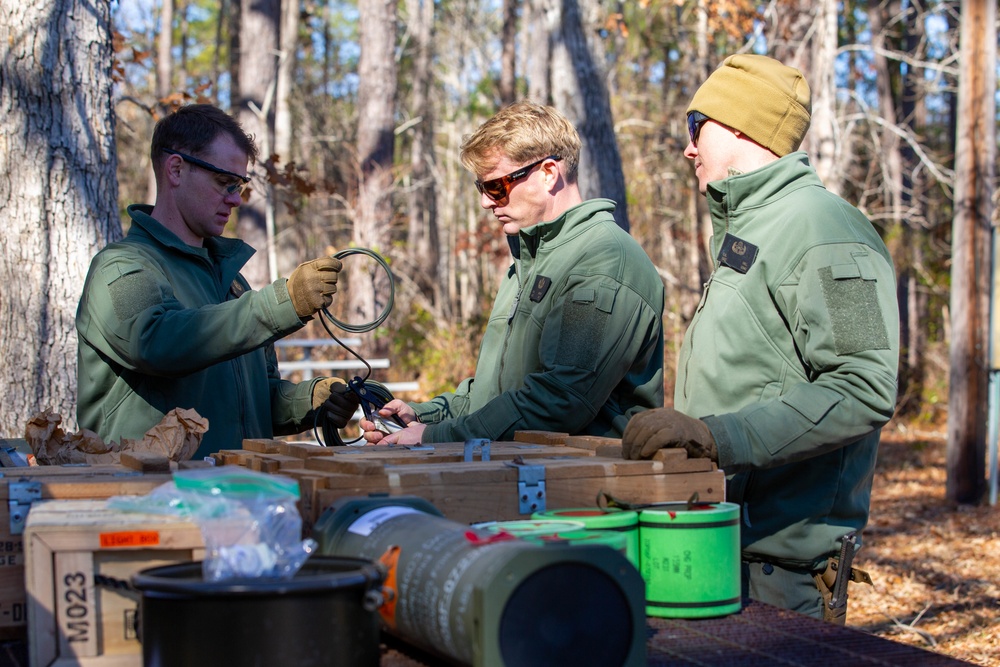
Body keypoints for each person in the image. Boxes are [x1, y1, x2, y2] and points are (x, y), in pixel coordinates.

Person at [622, 55, 900, 623]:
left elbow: (864, 386)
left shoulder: (826, 230)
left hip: (781, 578)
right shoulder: (755, 229)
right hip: (723, 550)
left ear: (739, 126)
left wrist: (714, 437)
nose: (688, 148)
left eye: (696, 127)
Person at [362, 100, 664, 445]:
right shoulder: (529, 261)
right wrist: (422, 415)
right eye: (482, 188)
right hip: (526, 477)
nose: (486, 203)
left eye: (496, 187)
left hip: (586, 488)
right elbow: (493, 396)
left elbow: (557, 403)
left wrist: (433, 435)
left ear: (548, 173)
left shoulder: (604, 262)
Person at [76, 104, 359, 460]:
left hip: (237, 498)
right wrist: (284, 302)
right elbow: (155, 341)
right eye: (225, 182)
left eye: (240, 185)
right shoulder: (121, 266)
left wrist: (313, 400)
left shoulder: (233, 283)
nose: (236, 199)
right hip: (151, 503)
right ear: (176, 169)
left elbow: (253, 401)